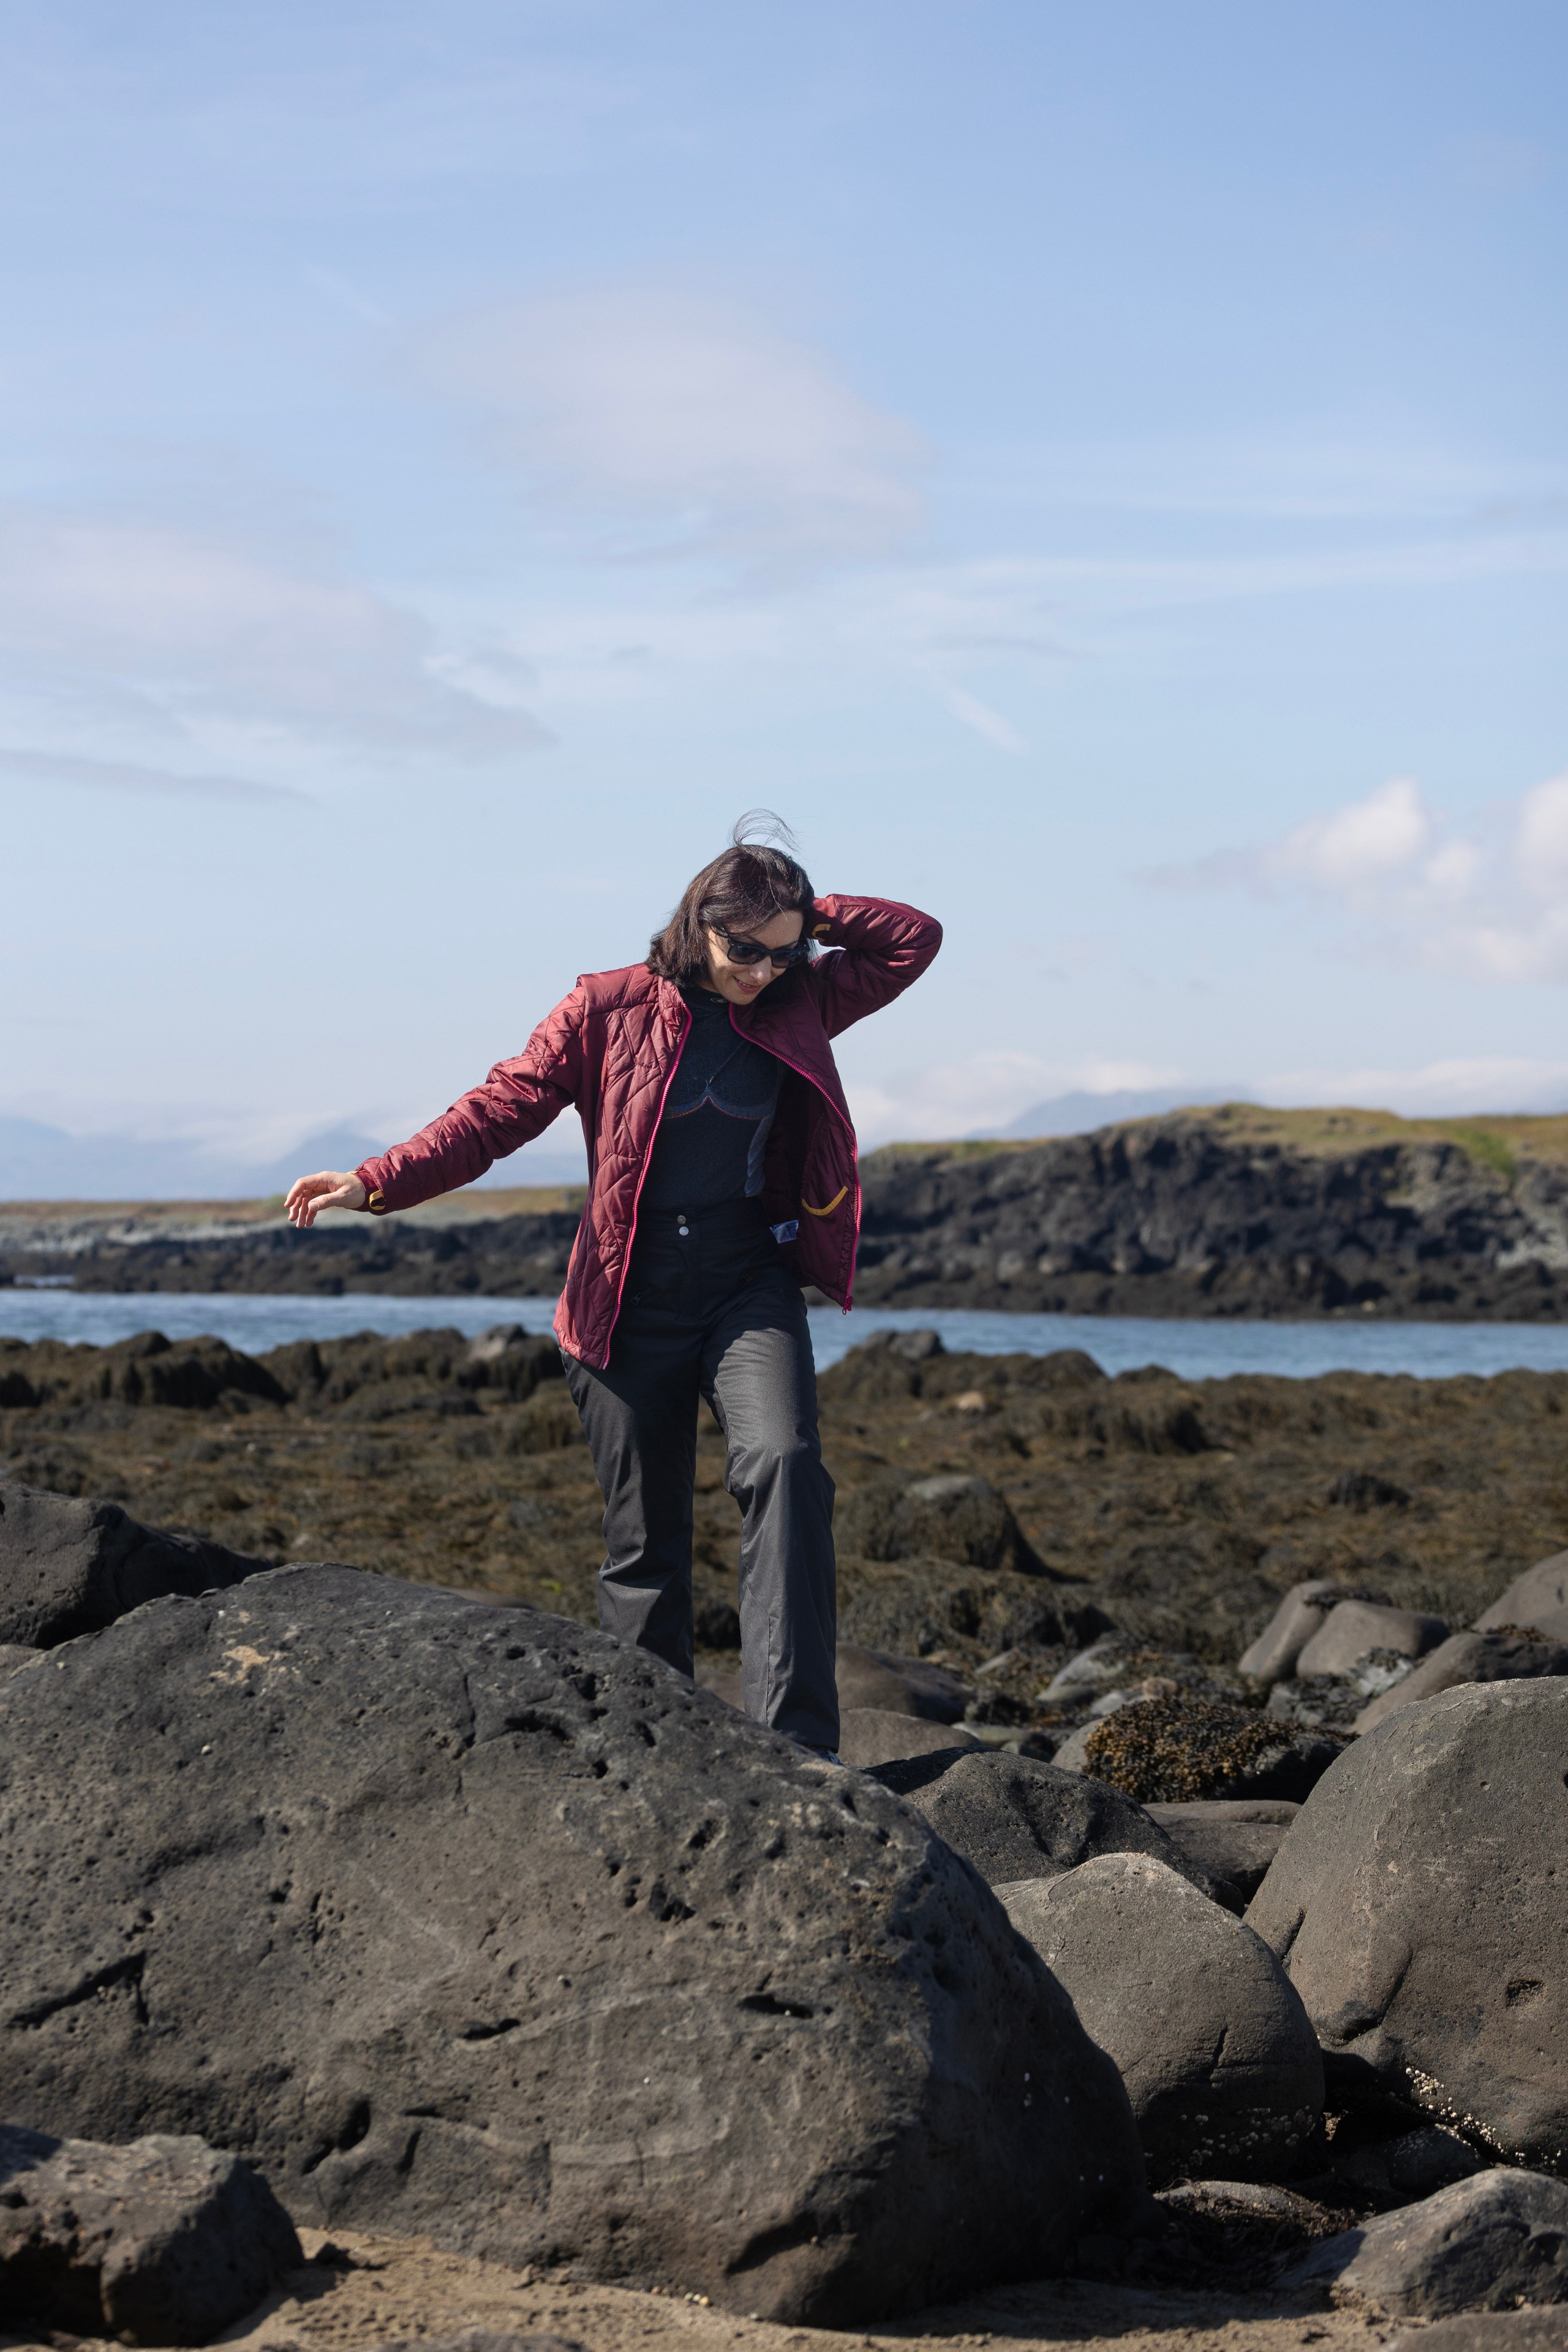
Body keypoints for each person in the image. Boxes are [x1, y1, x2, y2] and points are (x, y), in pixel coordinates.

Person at [284, 821, 941, 1757]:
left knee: (787, 1466)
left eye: (781, 952)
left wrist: (803, 915)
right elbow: (498, 1107)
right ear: (695, 921)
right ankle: (654, 1755)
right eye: (741, 947)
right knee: (646, 1553)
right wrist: (379, 1180)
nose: (761, 970)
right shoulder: (604, 1007)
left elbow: (914, 939)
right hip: (622, 1294)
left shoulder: (803, 997)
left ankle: (798, 1751)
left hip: (745, 1282)